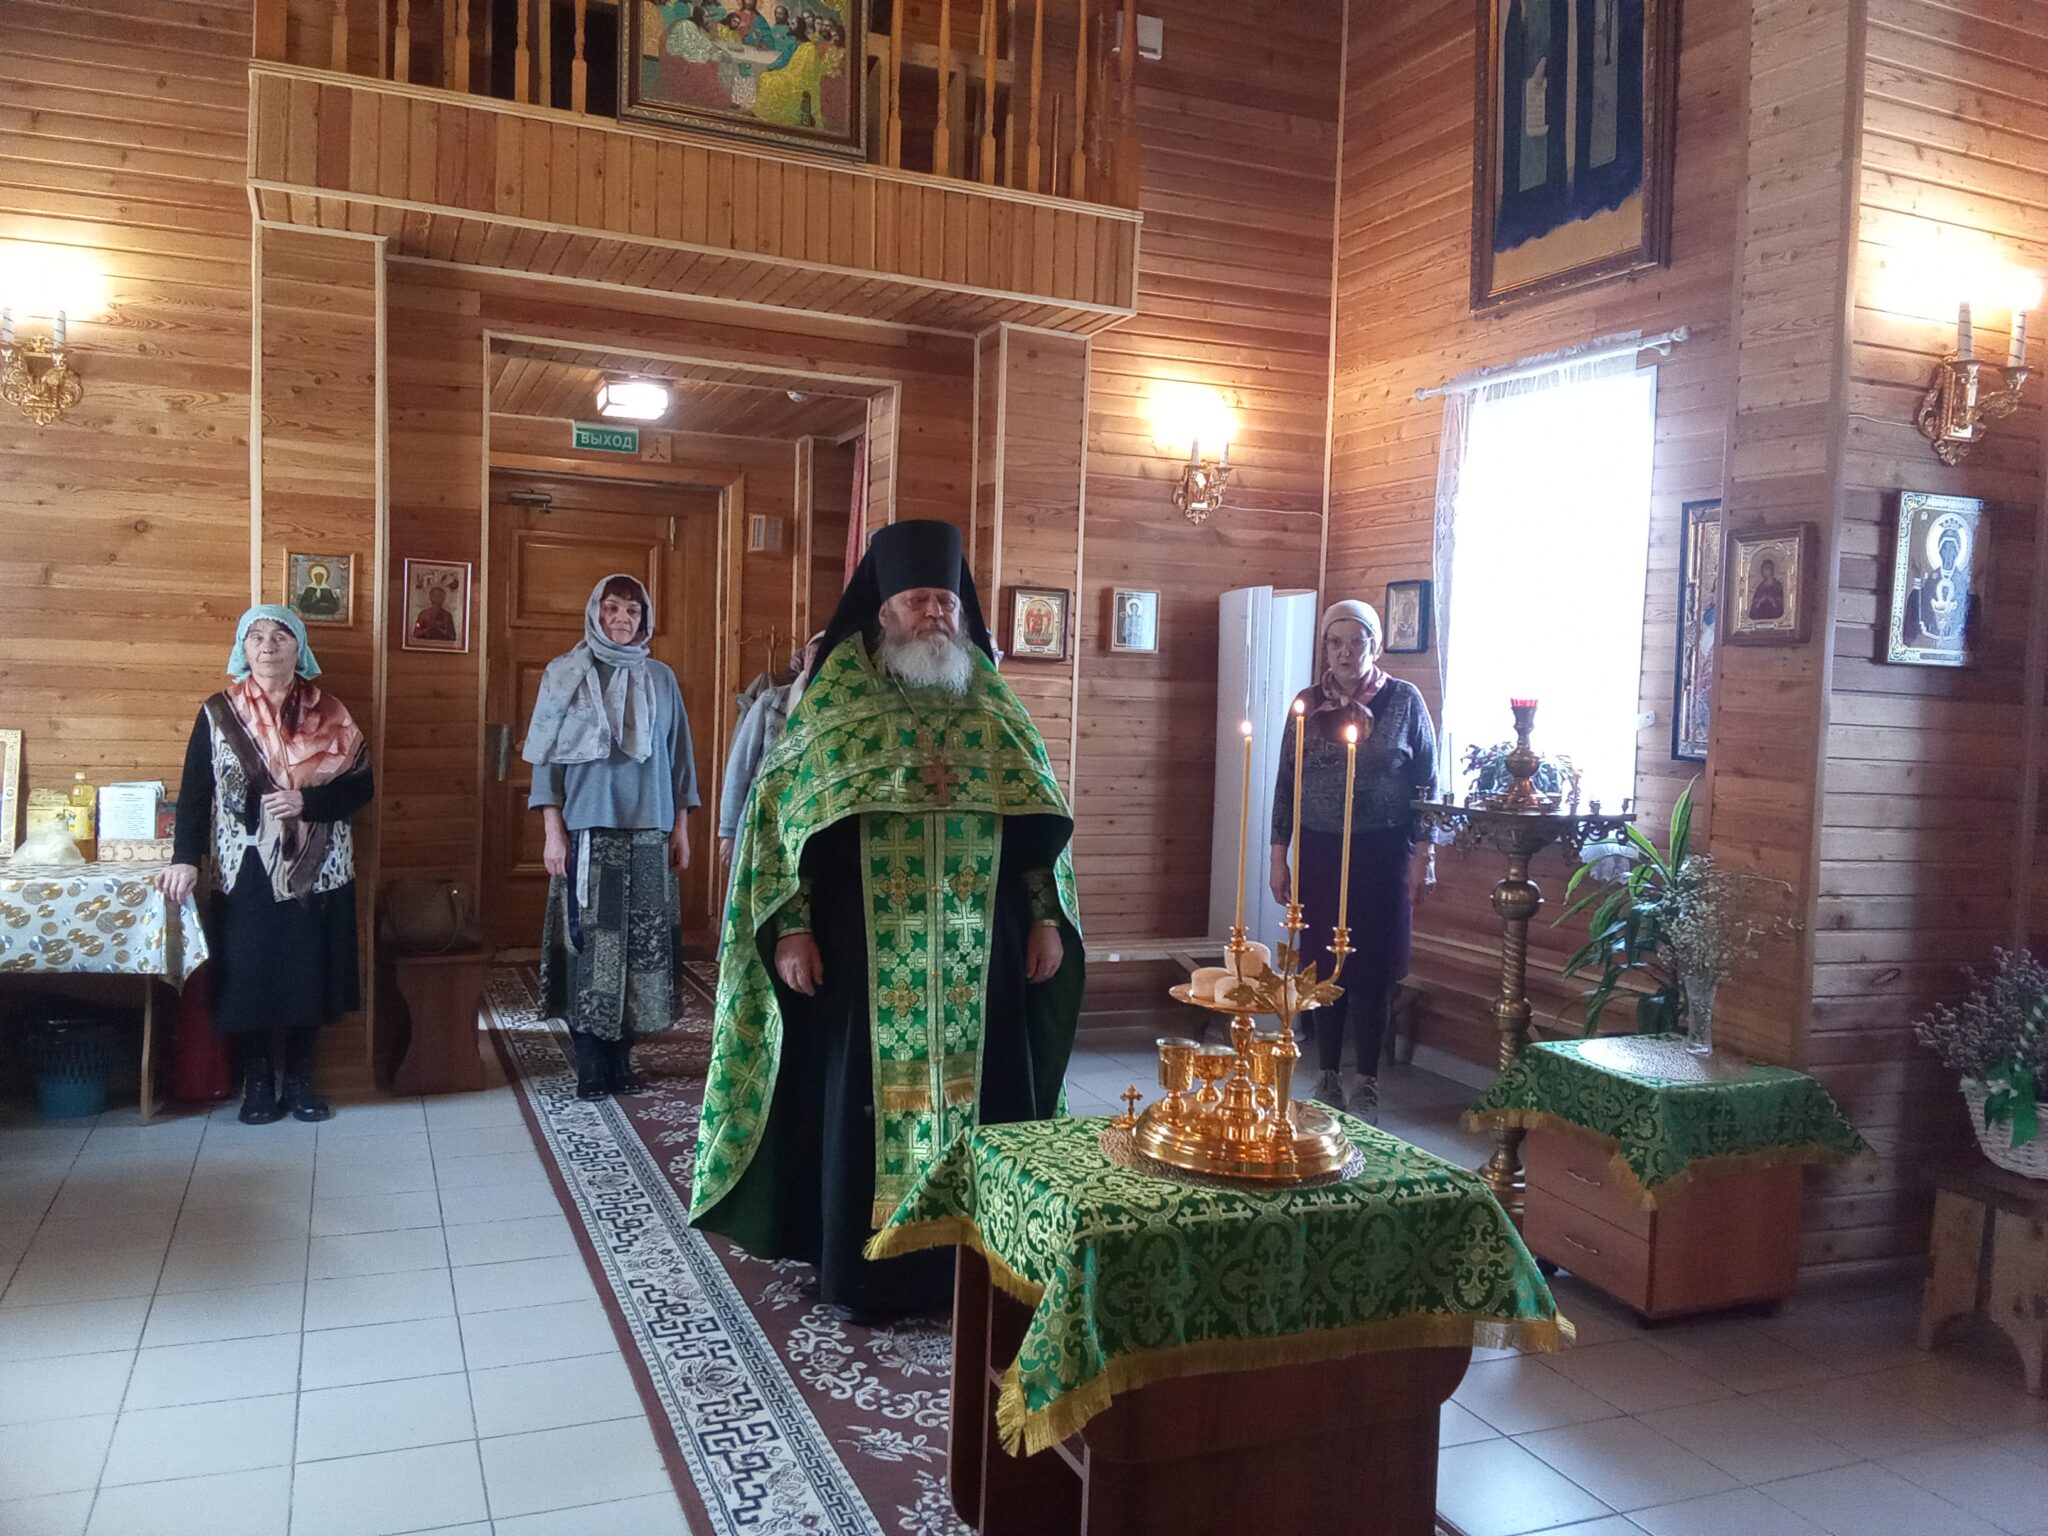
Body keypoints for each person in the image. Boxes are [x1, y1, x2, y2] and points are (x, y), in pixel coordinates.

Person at [690, 520, 1084, 1320]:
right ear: (883, 610)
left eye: (946, 600)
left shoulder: (992, 702)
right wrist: (792, 926)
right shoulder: (837, 703)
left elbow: (1036, 826)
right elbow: (782, 827)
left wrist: (1047, 918)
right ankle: (868, 1274)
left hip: (985, 950)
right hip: (861, 949)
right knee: (855, 1104)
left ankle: (989, 1260)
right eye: (917, 600)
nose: (935, 613)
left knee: (995, 1099)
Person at [159, 607, 372, 1124]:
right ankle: (257, 1080)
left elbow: (361, 787)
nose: (268, 646)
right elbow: (195, 793)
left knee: (308, 974)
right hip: (245, 865)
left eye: (280, 636)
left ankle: (300, 1080)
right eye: (255, 637)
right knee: (248, 974)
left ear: (300, 647)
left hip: (318, 867)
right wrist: (186, 858)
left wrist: (307, 803)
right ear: (242, 649)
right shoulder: (218, 713)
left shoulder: (333, 713)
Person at [525, 574, 700, 1100]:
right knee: (593, 947)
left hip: (650, 830)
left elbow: (680, 757)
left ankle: (623, 1055)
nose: (622, 618)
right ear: (595, 612)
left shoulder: (661, 679)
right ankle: (591, 1060)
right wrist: (553, 831)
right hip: (589, 830)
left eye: (632, 610)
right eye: (612, 608)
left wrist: (681, 827)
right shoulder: (565, 674)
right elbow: (546, 761)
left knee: (641, 949)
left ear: (645, 619)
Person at [1269, 600, 1435, 1122]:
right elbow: (1285, 785)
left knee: (1371, 968)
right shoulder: (1307, 704)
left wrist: (1424, 855)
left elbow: (1428, 785)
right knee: (1322, 965)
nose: (1344, 652)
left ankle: (1367, 1081)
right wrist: (1279, 854)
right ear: (1325, 647)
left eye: (1356, 641)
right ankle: (1327, 1075)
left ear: (1375, 646)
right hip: (1320, 849)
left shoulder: (1404, 701)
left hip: (1382, 852)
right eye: (1335, 642)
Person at [717, 632, 822, 868]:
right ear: (804, 658)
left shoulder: (838, 706)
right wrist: (729, 830)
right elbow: (740, 765)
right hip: (761, 814)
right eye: (813, 654)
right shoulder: (772, 701)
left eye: (824, 655)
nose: (817, 662)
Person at [1747, 558, 1785, 623]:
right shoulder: (1760, 586)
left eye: (1766, 569)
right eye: (1763, 569)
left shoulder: (1777, 586)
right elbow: (1754, 606)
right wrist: (1760, 601)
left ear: (1771, 569)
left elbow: (1780, 605)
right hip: (1761, 616)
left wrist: (1772, 600)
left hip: (1774, 616)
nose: (1764, 571)